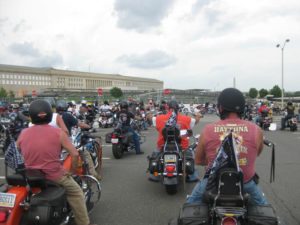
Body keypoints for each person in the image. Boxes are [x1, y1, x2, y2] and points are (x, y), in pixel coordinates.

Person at [16, 99, 97, 225]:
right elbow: (74, 154)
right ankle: (84, 222)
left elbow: (18, 150)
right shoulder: (59, 132)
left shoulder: (23, 133)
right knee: (76, 193)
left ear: (31, 116)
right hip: (54, 176)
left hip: (31, 176)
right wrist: (72, 171)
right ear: (49, 114)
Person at [186, 88, 268, 206]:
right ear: (242, 107)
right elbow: (256, 153)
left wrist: (213, 161)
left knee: (190, 205)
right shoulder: (256, 129)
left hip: (213, 181)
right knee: (265, 209)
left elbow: (198, 160)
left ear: (220, 108)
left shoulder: (208, 129)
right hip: (245, 181)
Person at [150, 100, 201, 182]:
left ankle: (154, 174)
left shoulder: (159, 118)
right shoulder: (186, 119)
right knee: (191, 155)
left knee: (155, 156)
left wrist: (150, 112)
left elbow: (150, 118)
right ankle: (192, 176)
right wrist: (198, 115)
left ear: (168, 108)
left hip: (163, 145)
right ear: (178, 108)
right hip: (182, 146)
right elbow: (196, 121)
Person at [56, 100, 101, 181]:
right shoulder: (67, 115)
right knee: (84, 152)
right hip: (66, 141)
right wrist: (89, 127)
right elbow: (79, 124)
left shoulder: (53, 116)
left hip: (53, 143)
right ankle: (93, 174)